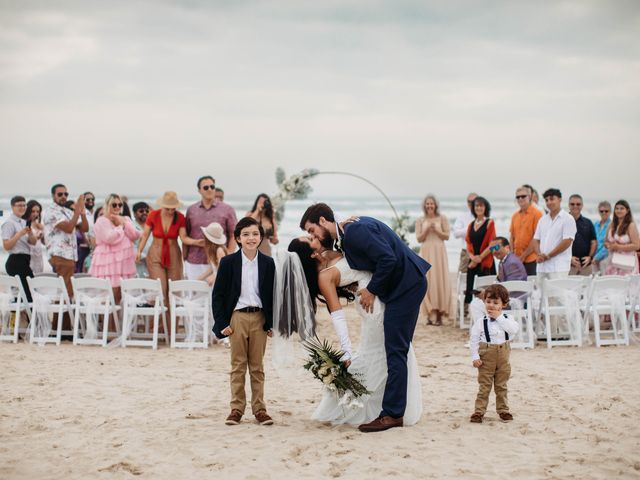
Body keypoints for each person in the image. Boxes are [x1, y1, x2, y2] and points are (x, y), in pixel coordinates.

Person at [300, 203, 430, 433]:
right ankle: (392, 408)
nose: (312, 236)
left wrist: (372, 290)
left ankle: (392, 414)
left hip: (406, 286)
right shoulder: (347, 233)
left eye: (311, 230)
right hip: (400, 287)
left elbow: (388, 259)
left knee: (395, 350)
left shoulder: (355, 231)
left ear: (322, 221)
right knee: (395, 349)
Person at [212, 217, 276, 427]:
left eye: (255, 234)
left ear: (260, 237)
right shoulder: (228, 263)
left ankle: (260, 409)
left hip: (259, 318)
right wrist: (222, 323)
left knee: (257, 367)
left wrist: (271, 323)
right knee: (238, 366)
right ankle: (236, 409)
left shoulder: (268, 263)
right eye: (246, 234)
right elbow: (218, 295)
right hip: (237, 318)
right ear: (238, 238)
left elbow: (273, 295)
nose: (251, 238)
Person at [136, 191, 200, 338]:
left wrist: (197, 242)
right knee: (160, 290)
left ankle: (172, 331)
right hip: (155, 254)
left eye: (173, 208)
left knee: (174, 292)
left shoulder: (180, 218)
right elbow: (145, 235)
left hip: (173, 254)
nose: (171, 211)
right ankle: (157, 331)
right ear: (162, 206)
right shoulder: (153, 215)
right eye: (168, 208)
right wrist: (139, 251)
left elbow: (183, 238)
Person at [469, 284, 519, 423]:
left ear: (503, 304)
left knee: (501, 385)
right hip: (486, 355)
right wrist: (475, 357)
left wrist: (499, 318)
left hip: (503, 356)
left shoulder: (508, 318)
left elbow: (513, 330)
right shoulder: (481, 322)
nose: (491, 305)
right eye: (488, 302)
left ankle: (503, 410)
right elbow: (473, 340)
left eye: (495, 303)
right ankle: (479, 412)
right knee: (484, 386)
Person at [89, 194, 141, 303]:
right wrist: (120, 226)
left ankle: (119, 320)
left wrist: (125, 223)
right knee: (108, 297)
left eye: (120, 204)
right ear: (107, 205)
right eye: (114, 204)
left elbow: (135, 235)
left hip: (123, 262)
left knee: (120, 296)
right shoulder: (101, 221)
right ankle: (108, 320)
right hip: (107, 262)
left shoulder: (125, 219)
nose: (117, 207)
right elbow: (109, 238)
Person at [184, 176, 238, 280]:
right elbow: (186, 235)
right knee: (195, 295)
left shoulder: (228, 209)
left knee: (217, 296)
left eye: (212, 187)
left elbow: (233, 235)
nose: (209, 189)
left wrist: (228, 257)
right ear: (199, 190)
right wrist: (184, 258)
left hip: (218, 261)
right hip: (194, 262)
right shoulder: (191, 210)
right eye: (205, 187)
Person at [42, 184, 89, 297]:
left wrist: (82, 213)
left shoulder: (67, 211)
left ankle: (62, 315)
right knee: (66, 293)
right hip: (60, 255)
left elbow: (84, 228)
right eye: (60, 194)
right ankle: (63, 315)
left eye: (66, 194)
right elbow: (68, 228)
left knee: (66, 292)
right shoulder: (50, 212)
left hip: (70, 256)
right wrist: (77, 210)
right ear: (53, 196)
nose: (63, 196)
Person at [415, 194, 451, 325]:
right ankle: (430, 314)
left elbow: (446, 236)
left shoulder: (442, 218)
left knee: (440, 280)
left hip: (439, 252)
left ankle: (440, 314)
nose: (430, 206)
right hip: (426, 251)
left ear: (436, 205)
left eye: (432, 203)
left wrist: (436, 229)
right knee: (427, 280)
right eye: (427, 204)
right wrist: (426, 231)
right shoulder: (420, 220)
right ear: (425, 206)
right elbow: (419, 238)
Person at [532, 188, 576, 280]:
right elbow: (536, 240)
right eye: (546, 200)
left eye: (552, 199)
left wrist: (549, 255)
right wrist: (539, 254)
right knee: (541, 294)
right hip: (542, 266)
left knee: (558, 294)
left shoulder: (568, 218)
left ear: (559, 199)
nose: (549, 202)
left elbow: (567, 241)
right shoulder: (542, 219)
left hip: (559, 267)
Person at [2, 196, 37, 301]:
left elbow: (33, 242)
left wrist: (30, 234)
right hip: (16, 261)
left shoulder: (23, 222)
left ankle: (22, 317)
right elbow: (6, 246)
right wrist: (19, 234)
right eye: (19, 205)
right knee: (26, 295)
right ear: (13, 207)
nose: (22, 207)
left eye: (24, 205)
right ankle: (30, 317)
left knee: (26, 294)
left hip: (25, 260)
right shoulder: (9, 223)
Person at [464, 196, 496, 306]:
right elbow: (468, 243)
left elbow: (493, 245)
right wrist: (473, 258)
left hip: (486, 262)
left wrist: (479, 258)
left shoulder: (489, 223)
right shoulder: (471, 225)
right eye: (476, 205)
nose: (479, 208)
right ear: (473, 208)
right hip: (473, 262)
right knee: (471, 291)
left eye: (481, 205)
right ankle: (472, 313)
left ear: (485, 207)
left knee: (486, 293)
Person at [509, 186, 543, 276]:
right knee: (517, 287)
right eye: (518, 197)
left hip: (532, 259)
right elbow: (512, 237)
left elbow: (536, 238)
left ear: (530, 197)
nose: (520, 198)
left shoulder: (537, 214)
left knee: (531, 288)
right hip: (517, 260)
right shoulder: (514, 216)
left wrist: (523, 256)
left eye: (523, 196)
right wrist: (512, 255)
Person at [604, 200, 640, 275]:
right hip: (612, 261)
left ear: (627, 210)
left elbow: (637, 245)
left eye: (621, 208)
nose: (619, 210)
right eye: (617, 208)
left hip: (626, 263)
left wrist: (618, 247)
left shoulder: (631, 225)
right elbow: (605, 242)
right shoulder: (611, 225)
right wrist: (609, 246)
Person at [568, 194, 596, 276]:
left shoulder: (588, 222)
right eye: (572, 204)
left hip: (586, 265)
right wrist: (569, 258)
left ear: (582, 205)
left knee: (587, 288)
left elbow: (593, 242)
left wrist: (590, 257)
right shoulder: (562, 222)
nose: (575, 206)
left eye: (578, 204)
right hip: (568, 265)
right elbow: (558, 242)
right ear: (569, 205)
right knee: (568, 288)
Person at [197, 222, 228, 286]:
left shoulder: (219, 250)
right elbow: (213, 268)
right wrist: (199, 278)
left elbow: (223, 270)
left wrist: (214, 278)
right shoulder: (213, 250)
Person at [453, 192, 477, 274]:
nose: (471, 203)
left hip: (481, 253)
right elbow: (456, 233)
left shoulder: (485, 217)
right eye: (469, 201)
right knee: (462, 279)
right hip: (466, 252)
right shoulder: (462, 216)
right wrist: (471, 228)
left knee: (480, 281)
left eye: (473, 201)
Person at [22, 200, 45, 275]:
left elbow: (44, 243)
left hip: (38, 255)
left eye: (38, 211)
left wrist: (44, 233)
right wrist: (36, 237)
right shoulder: (23, 223)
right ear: (27, 211)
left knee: (38, 279)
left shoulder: (39, 225)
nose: (35, 214)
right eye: (33, 211)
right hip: (29, 255)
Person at [132, 202, 151, 278]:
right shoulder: (130, 226)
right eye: (141, 211)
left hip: (152, 264)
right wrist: (144, 257)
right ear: (134, 214)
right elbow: (130, 246)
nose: (144, 213)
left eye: (147, 211)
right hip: (137, 264)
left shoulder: (152, 226)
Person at [593, 201, 612, 275]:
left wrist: (597, 257)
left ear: (610, 212)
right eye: (601, 211)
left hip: (606, 257)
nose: (604, 213)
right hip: (594, 257)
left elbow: (609, 244)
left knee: (604, 281)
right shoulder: (595, 224)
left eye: (606, 211)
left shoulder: (612, 225)